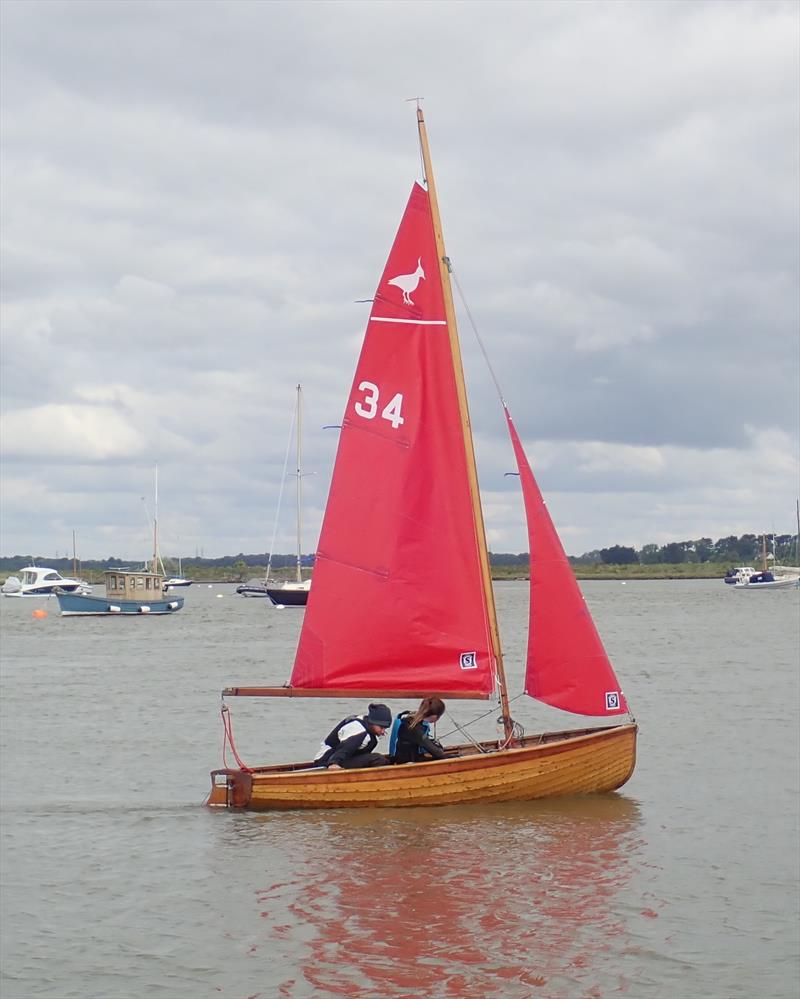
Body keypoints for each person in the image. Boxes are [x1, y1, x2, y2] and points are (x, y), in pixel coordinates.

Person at [314, 703, 393, 769]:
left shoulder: (368, 727)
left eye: (385, 728)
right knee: (378, 759)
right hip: (326, 760)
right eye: (381, 727)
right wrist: (333, 763)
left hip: (342, 759)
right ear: (373, 722)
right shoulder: (358, 730)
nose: (383, 731)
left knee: (385, 761)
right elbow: (345, 748)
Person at [389, 697, 447, 765]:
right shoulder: (414, 728)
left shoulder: (412, 719)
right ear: (434, 716)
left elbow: (425, 741)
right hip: (405, 763)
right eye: (438, 716)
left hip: (412, 757)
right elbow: (437, 753)